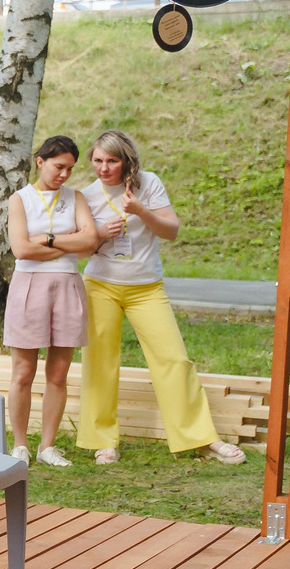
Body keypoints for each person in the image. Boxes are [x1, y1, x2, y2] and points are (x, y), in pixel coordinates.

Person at [73, 129, 244, 468]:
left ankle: (201, 438)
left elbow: (171, 230)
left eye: (111, 160)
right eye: (97, 161)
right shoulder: (86, 196)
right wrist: (99, 236)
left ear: (126, 161)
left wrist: (140, 211)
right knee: (99, 362)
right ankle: (102, 441)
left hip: (146, 288)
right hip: (100, 285)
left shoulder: (148, 184)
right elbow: (80, 250)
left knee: (174, 360)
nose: (104, 168)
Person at [2, 136, 100, 468]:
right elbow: (22, 250)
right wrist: (69, 244)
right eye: (59, 166)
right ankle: (19, 444)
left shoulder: (76, 198)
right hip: (29, 285)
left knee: (58, 373)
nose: (64, 175)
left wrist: (49, 238)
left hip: (67, 285)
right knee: (23, 372)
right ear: (41, 161)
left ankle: (47, 446)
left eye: (70, 169)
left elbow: (90, 243)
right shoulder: (20, 199)